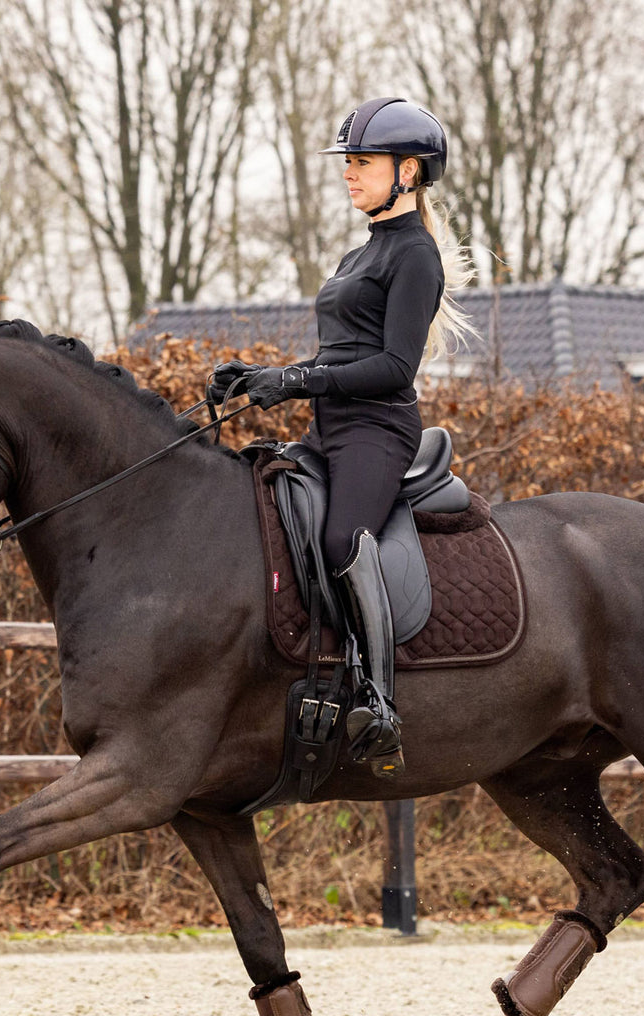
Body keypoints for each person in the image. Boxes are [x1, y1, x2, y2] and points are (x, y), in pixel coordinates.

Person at [213, 96, 474, 777]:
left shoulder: (415, 255)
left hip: (377, 431)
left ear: (408, 172)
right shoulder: (361, 253)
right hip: (331, 428)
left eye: (363, 163)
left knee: (338, 539)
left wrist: (297, 382)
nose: (350, 175)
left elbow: (392, 367)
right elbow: (337, 354)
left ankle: (380, 703)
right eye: (348, 163)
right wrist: (261, 376)